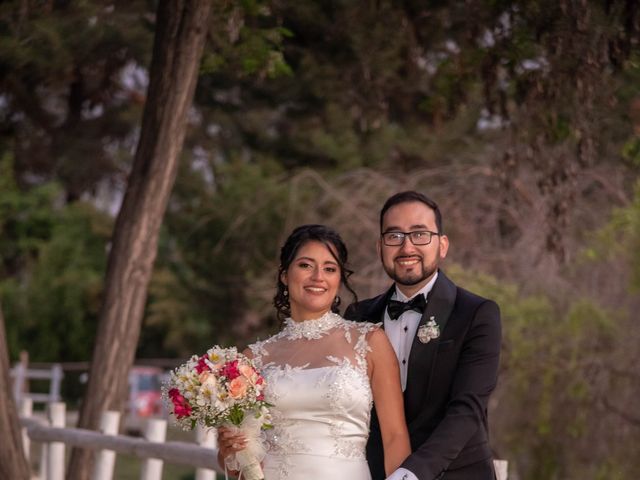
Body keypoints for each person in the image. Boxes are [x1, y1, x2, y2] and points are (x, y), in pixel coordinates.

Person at [218, 224, 411, 479]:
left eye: (330, 269)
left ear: (339, 279)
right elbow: (237, 469)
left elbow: (395, 438)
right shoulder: (251, 360)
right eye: (306, 265)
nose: (318, 276)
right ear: (285, 275)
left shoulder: (370, 341)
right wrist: (228, 452)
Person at [344, 191, 502, 480]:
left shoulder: (477, 313)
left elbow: (467, 410)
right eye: (394, 236)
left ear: (442, 245)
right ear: (380, 247)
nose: (406, 247)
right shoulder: (357, 318)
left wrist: (411, 474)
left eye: (419, 234)